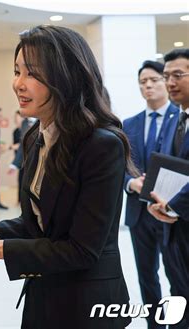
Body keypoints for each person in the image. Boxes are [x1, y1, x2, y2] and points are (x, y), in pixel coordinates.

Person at [0, 25, 135, 329]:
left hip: (88, 303)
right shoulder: (36, 136)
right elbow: (34, 224)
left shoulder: (102, 145)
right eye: (16, 71)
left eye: (31, 74)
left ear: (66, 77)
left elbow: (82, 249)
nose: (18, 84)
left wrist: (0, 251)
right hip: (44, 292)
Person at [122, 60, 179, 329]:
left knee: (176, 275)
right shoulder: (129, 124)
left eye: (154, 80)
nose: (148, 85)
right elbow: (118, 167)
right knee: (146, 276)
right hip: (138, 213)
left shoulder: (180, 120)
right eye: (143, 81)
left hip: (172, 212)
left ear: (165, 82)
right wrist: (130, 183)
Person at [147, 48, 189, 328]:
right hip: (173, 228)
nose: (170, 82)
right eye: (167, 76)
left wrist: (173, 205)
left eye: (178, 75)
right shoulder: (176, 119)